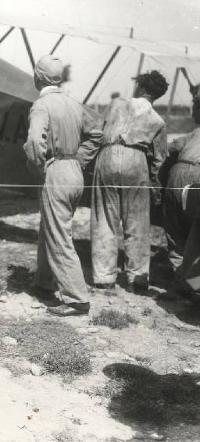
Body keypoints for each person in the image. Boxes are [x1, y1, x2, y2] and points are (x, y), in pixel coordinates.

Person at [23, 54, 102, 317]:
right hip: (74, 170)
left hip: (55, 170)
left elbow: (35, 142)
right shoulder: (73, 102)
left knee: (59, 235)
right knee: (51, 226)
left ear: (38, 77)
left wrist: (38, 167)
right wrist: (79, 159)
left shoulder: (41, 105)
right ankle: (44, 283)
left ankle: (77, 298)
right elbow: (96, 133)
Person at [91, 71, 168, 294]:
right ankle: (137, 277)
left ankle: (104, 276)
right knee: (137, 221)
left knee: (105, 216)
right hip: (137, 159)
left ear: (141, 88)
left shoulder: (117, 105)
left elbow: (98, 132)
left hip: (108, 154)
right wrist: (154, 182)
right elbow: (159, 158)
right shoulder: (158, 120)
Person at [162, 86, 200, 278]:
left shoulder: (192, 134)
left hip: (178, 173)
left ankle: (179, 275)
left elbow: (170, 148)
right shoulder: (194, 133)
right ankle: (190, 278)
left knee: (175, 226)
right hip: (196, 177)